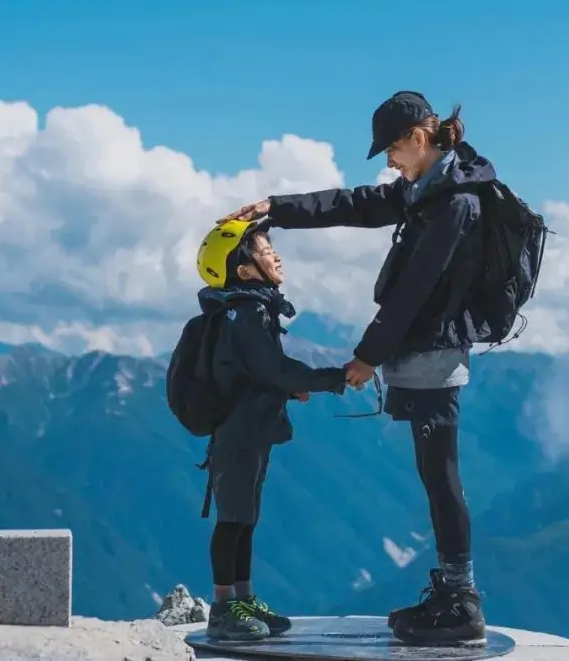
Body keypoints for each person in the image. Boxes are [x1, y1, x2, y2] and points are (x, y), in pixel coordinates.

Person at [227, 91, 493, 646]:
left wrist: (365, 357)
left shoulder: (453, 202)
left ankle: (462, 604)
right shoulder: (427, 190)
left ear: (420, 138)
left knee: (441, 473)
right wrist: (277, 207)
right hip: (422, 350)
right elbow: (355, 204)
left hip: (433, 354)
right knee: (433, 471)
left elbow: (413, 293)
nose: (390, 162)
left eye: (394, 149)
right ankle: (451, 594)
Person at [195, 219, 347, 642]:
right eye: (264, 250)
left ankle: (242, 598)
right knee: (232, 519)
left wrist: (288, 387)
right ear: (244, 270)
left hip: (250, 429)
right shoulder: (246, 313)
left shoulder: (251, 310)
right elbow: (273, 369)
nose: (275, 255)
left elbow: (256, 375)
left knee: (245, 518)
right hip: (240, 433)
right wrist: (332, 378)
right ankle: (223, 607)